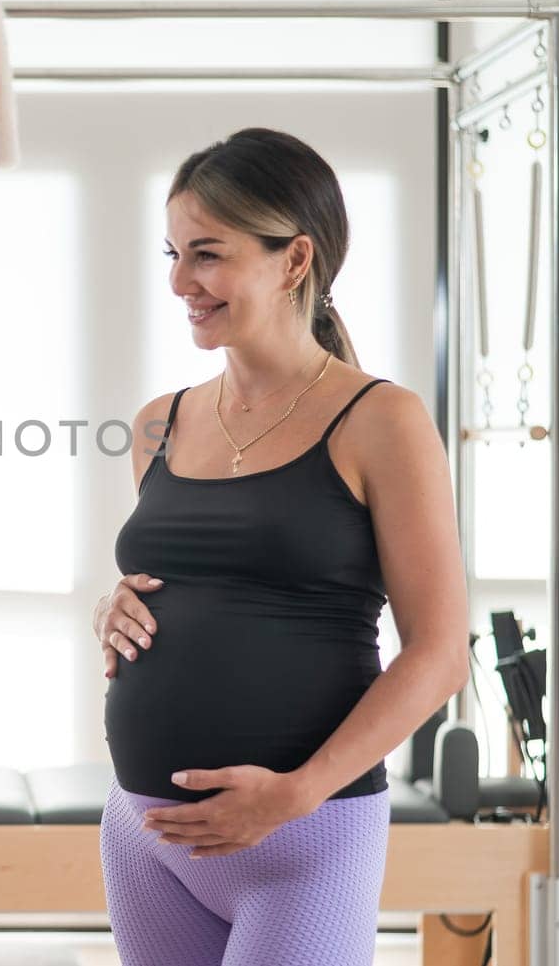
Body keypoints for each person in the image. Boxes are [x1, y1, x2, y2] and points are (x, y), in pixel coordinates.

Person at [94, 129, 470, 965]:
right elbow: (200, 587)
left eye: (207, 254)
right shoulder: (160, 421)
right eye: (174, 252)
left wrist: (294, 794)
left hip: (305, 837)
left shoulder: (383, 421)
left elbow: (441, 654)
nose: (179, 281)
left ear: (293, 259)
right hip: (144, 833)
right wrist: (113, 606)